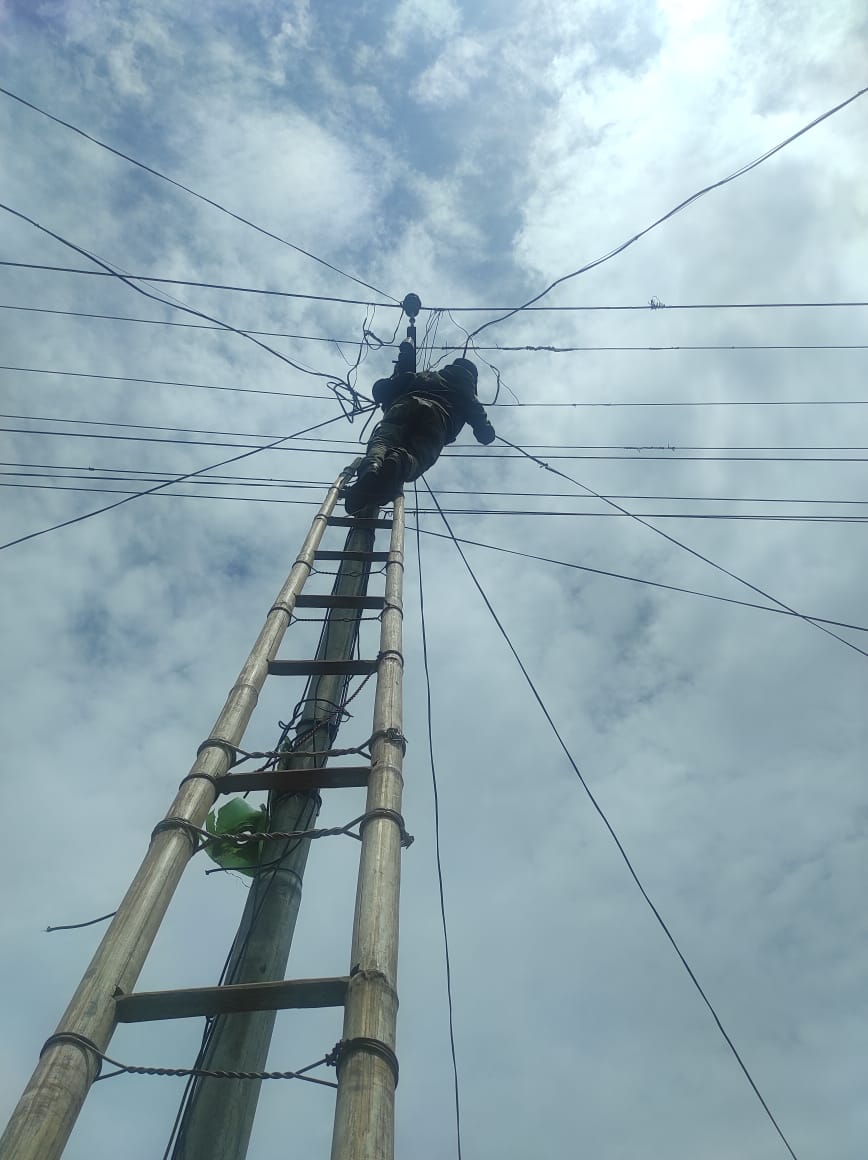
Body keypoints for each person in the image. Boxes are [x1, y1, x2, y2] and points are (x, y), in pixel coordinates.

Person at [344, 357, 496, 515]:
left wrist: (387, 387)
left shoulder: (426, 375)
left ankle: (371, 467)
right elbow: (481, 425)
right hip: (438, 418)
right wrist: (485, 430)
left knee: (383, 441)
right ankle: (399, 461)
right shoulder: (467, 390)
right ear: (473, 379)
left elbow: (384, 388)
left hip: (404, 405)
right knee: (419, 455)